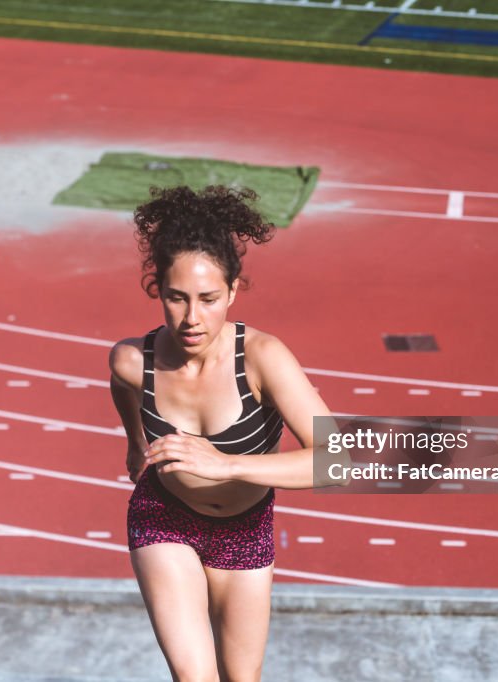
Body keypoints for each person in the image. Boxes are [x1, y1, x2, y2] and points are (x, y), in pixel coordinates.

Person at [108, 185, 340, 682]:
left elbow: (337, 457)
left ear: (233, 292)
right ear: (157, 291)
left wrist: (225, 463)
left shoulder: (262, 358)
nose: (192, 319)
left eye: (209, 299)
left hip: (245, 530)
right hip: (164, 518)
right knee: (195, 677)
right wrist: (134, 443)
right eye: (176, 298)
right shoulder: (134, 361)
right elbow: (121, 384)